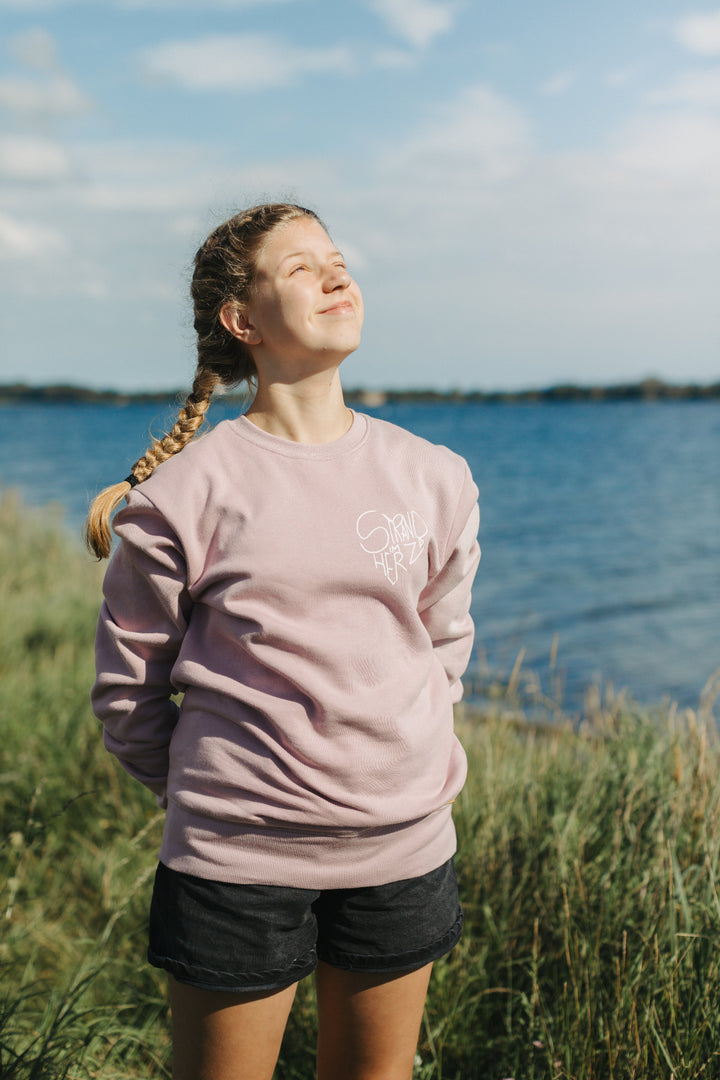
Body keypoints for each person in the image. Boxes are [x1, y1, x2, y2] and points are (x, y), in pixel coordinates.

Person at [87, 202, 480, 1080]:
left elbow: (442, 645)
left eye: (338, 259)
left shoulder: (436, 476)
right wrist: (229, 794)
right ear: (243, 320)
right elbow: (129, 697)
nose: (336, 275)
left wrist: (400, 761)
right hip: (235, 866)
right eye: (302, 268)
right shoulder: (182, 498)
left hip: (404, 850)